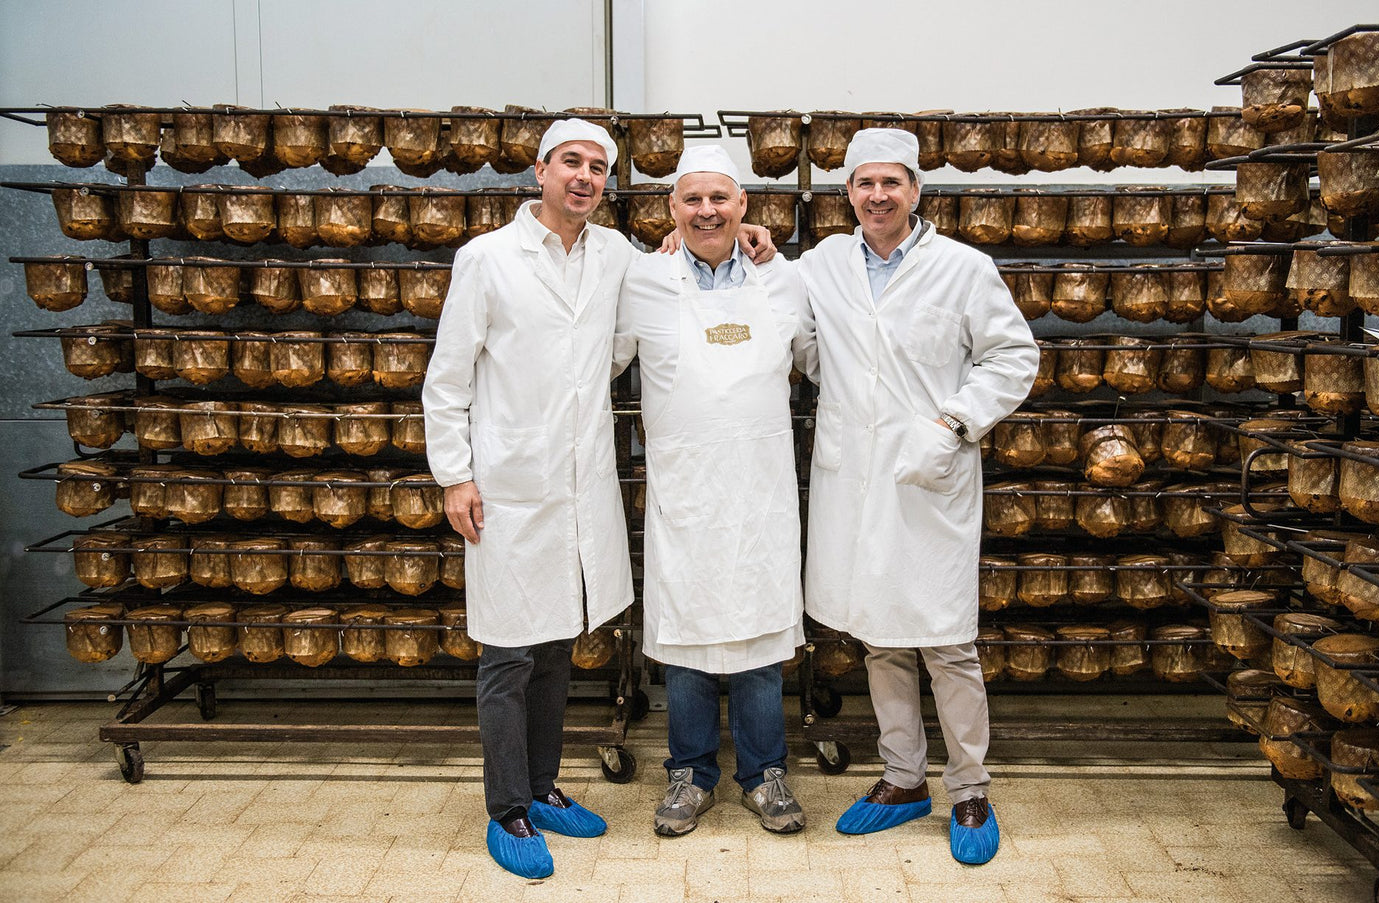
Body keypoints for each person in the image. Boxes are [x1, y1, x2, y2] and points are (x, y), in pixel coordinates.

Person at [423, 119, 776, 880]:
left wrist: (753, 238)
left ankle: (543, 786)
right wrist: (455, 473)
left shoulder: (615, 254)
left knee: (556, 640)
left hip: (579, 480)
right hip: (508, 482)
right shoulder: (486, 259)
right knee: (508, 650)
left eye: (597, 167)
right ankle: (507, 806)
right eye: (570, 163)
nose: (583, 176)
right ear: (540, 171)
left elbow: (655, 301)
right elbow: (447, 377)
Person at [796, 128, 1038, 865]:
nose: (877, 196)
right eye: (864, 184)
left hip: (930, 470)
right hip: (854, 472)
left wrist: (952, 421)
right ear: (847, 194)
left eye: (891, 183)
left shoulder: (962, 268)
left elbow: (1012, 354)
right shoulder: (821, 265)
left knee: (945, 639)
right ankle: (903, 778)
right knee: (878, 634)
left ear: (915, 190)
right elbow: (802, 340)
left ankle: (968, 783)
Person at [613, 145, 810, 838]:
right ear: (670, 209)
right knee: (687, 639)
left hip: (759, 492)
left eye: (719, 199)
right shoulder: (641, 281)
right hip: (686, 492)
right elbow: (600, 359)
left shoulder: (781, 283)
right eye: (691, 200)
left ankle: (764, 774)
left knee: (759, 636)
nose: (706, 211)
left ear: (743, 206)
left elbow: (819, 357)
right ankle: (690, 773)